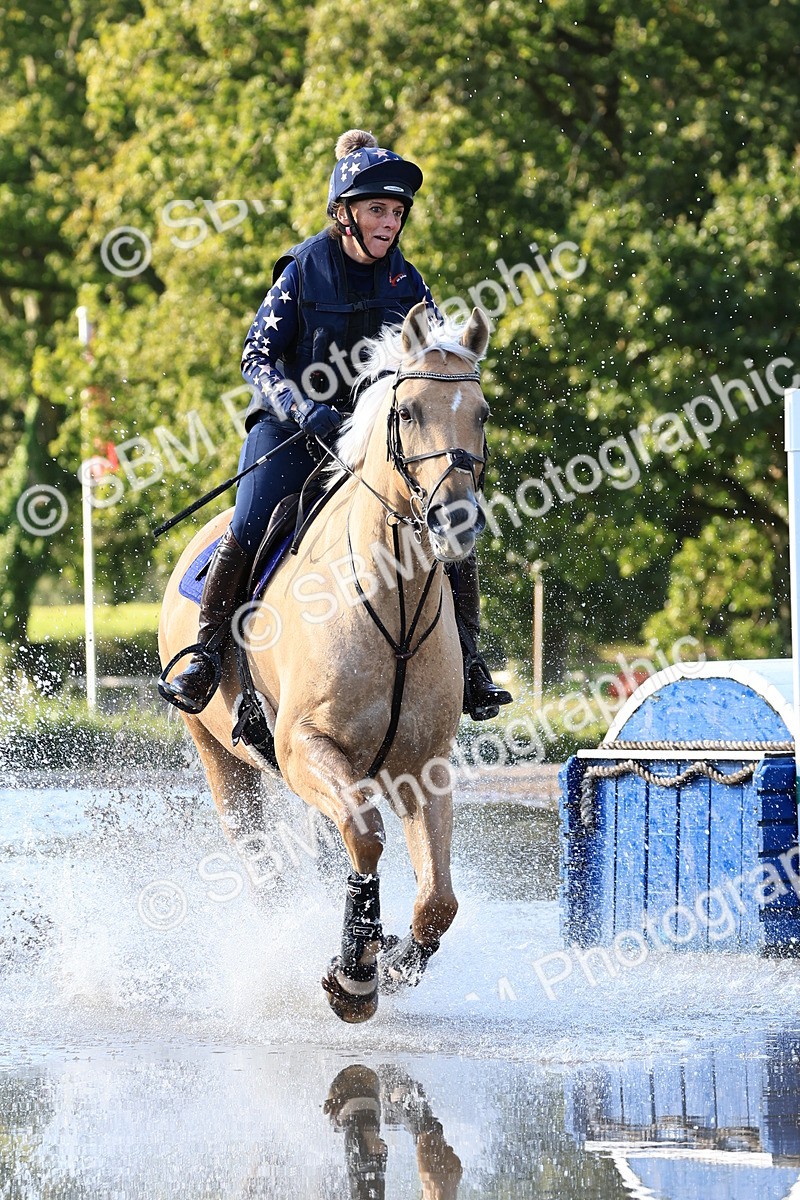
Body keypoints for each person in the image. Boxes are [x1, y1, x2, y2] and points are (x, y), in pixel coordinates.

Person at [160, 129, 512, 720]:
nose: (390, 222)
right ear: (344, 214)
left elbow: (429, 369)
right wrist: (305, 411)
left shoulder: (409, 283)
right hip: (292, 429)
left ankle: (471, 663)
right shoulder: (301, 272)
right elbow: (256, 358)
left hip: (376, 439)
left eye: (397, 212)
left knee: (451, 522)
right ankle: (206, 650)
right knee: (252, 518)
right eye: (377, 209)